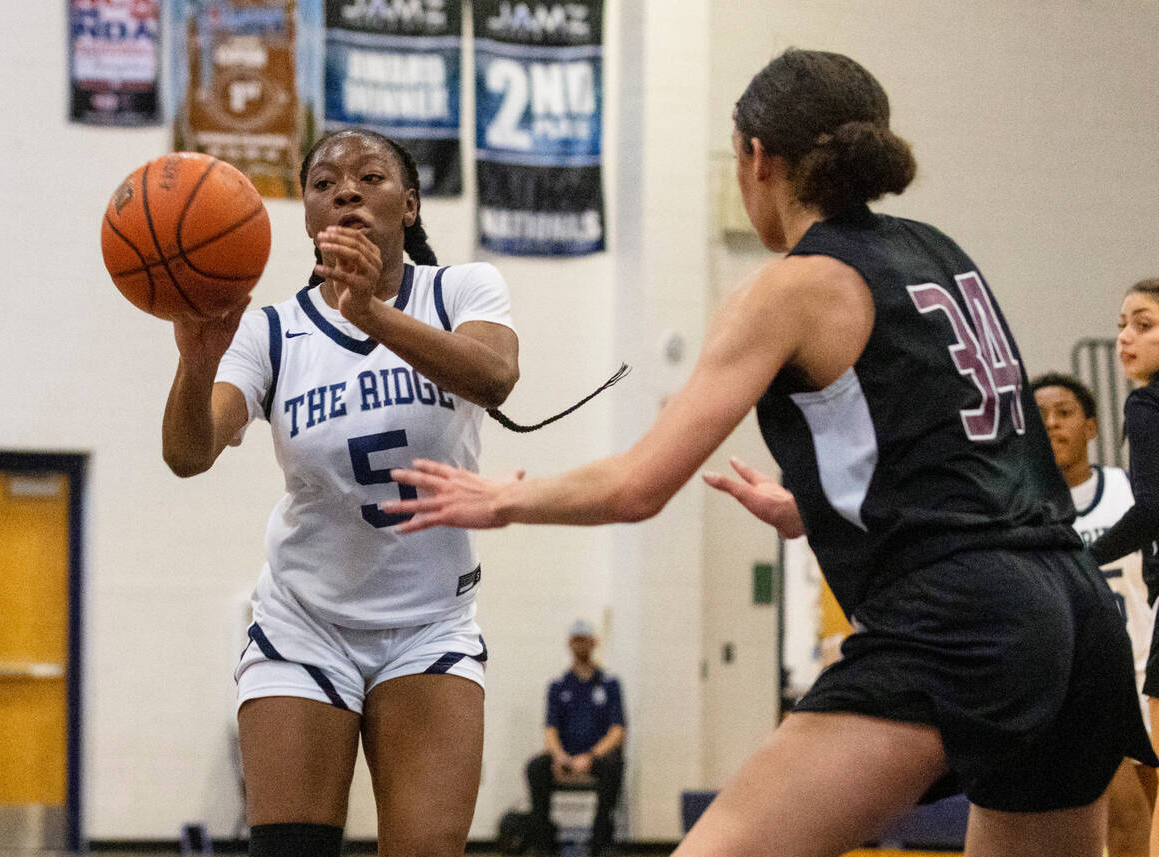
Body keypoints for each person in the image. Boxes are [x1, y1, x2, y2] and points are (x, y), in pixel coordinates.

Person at [384, 49, 1157, 856]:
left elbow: (637, 485)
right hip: (1074, 609)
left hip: (960, 619)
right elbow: (977, 443)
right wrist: (812, 505)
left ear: (757, 157)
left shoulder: (789, 287)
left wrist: (501, 499)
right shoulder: (938, 250)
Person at [161, 128, 520, 857]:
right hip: (305, 619)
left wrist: (371, 314)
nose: (345, 189)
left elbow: (494, 375)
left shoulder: (461, 288)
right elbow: (188, 453)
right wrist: (196, 364)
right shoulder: (273, 331)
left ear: (410, 204)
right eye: (324, 182)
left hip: (429, 624)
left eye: (369, 176)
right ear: (307, 216)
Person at [1032, 372, 1157, 857]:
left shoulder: (1133, 493)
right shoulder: (1023, 507)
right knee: (1126, 819)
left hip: (1147, 667)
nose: (1052, 425)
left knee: (1148, 818)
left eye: (1064, 413)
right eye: (1040, 417)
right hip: (1084, 678)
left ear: (1090, 426)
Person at [1091, 279, 1159, 857]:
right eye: (1120, 325)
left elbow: (1155, 508)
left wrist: (1079, 560)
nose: (1124, 338)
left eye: (1144, 324)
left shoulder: (1147, 403)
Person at [524, 619, 626, 856]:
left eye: (584, 640)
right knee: (536, 767)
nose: (580, 645)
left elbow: (617, 731)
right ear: (569, 644)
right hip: (565, 757)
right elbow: (550, 729)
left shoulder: (610, 684)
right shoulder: (558, 686)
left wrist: (590, 758)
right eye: (575, 640)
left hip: (597, 758)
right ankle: (544, 844)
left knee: (614, 767)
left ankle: (599, 843)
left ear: (593, 643)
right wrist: (560, 757)